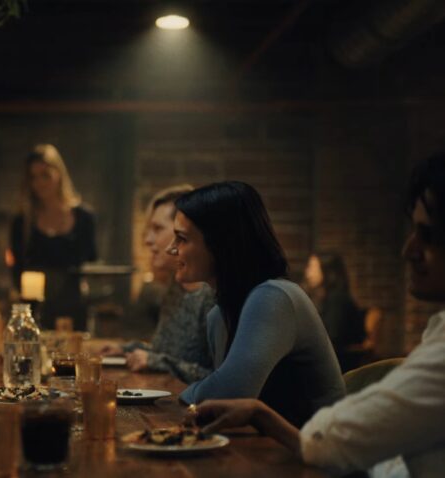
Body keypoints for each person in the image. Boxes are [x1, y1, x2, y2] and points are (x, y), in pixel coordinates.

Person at [195, 154, 445, 478]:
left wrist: (261, 413)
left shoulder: (275, 297)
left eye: (428, 235)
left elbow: (329, 440)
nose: (408, 250)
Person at [170, 181, 344, 427]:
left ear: (220, 244)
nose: (171, 249)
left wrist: (181, 394)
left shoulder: (274, 298)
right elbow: (220, 408)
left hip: (318, 458)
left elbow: (227, 394)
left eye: (182, 239)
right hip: (269, 452)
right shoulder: (219, 315)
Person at [102, 185, 215, 383]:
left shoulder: (212, 296)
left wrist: (156, 362)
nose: (147, 240)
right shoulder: (177, 286)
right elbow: (166, 352)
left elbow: (217, 379)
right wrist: (125, 349)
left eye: (158, 229)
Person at [8, 144, 97, 330]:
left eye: (45, 176)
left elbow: (91, 260)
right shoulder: (21, 222)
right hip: (34, 312)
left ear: (59, 174)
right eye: (33, 178)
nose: (40, 183)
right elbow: (16, 268)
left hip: (73, 308)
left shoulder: (84, 217)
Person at [301, 252, 367, 370]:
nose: (308, 273)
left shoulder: (337, 299)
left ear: (327, 271)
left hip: (340, 366)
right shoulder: (327, 297)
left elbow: (332, 339)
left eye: (312, 267)